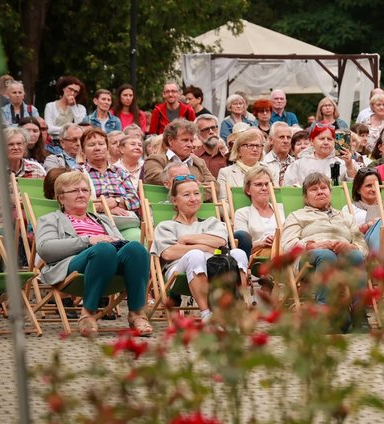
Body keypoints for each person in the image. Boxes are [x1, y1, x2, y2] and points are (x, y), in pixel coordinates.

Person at [34, 171, 153, 336]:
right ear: (61, 198)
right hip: (73, 264)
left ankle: (137, 313)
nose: (81, 194)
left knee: (136, 248)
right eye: (75, 191)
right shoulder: (50, 219)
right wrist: (88, 240)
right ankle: (88, 314)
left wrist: (115, 242)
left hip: (108, 261)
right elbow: (45, 249)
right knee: (103, 249)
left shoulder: (101, 219)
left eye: (85, 190)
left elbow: (119, 242)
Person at [150, 177, 249, 323]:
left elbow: (220, 241)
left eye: (196, 193)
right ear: (174, 200)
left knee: (239, 253)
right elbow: (168, 253)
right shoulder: (166, 226)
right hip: (179, 273)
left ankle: (238, 307)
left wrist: (186, 239)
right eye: (186, 195)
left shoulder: (212, 222)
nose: (193, 199)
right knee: (195, 255)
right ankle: (207, 313)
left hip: (215, 268)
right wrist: (204, 246)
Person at [280, 172, 367, 311]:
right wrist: (314, 245)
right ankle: (325, 313)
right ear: (305, 197)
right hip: (309, 260)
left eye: (323, 188)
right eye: (314, 189)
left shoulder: (346, 217)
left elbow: (362, 246)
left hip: (343, 257)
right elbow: (287, 245)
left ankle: (359, 315)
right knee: (326, 256)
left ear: (330, 192)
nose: (320, 192)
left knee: (356, 256)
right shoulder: (296, 216)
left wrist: (349, 246)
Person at [142, 119, 217, 202]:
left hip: (198, 212)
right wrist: (194, 185)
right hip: (166, 211)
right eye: (185, 140)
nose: (190, 145)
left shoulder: (199, 162)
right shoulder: (155, 160)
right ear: (170, 140)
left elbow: (214, 186)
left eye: (191, 141)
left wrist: (188, 195)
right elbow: (154, 177)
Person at [81, 128, 140, 218]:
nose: (97, 148)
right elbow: (77, 201)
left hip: (124, 219)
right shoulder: (78, 173)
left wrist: (116, 201)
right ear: (83, 151)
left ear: (107, 148)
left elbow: (135, 201)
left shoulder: (119, 171)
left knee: (136, 233)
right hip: (93, 219)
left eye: (101, 144)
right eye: (91, 145)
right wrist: (107, 208)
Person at [233, 166, 284, 259]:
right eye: (258, 184)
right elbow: (242, 246)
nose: (264, 188)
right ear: (248, 190)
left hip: (284, 251)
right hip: (258, 258)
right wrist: (262, 243)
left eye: (267, 184)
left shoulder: (282, 209)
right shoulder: (242, 213)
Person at [285, 123, 357, 186]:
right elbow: (289, 188)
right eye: (322, 139)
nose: (326, 142)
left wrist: (349, 165)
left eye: (329, 139)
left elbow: (353, 187)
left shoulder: (344, 161)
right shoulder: (299, 164)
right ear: (312, 141)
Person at [216, 128, 267, 199]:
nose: (255, 149)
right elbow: (223, 203)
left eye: (258, 146)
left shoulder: (268, 171)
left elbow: (276, 201)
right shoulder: (225, 173)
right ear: (238, 150)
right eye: (250, 145)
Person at [348, 166, 384, 256]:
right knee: (381, 223)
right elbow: (347, 234)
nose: (374, 189)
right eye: (368, 186)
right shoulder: (350, 208)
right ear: (358, 189)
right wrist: (365, 227)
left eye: (376, 185)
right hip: (362, 247)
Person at [262, 121, 295, 186]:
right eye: (281, 137)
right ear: (271, 140)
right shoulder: (262, 163)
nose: (286, 141)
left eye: (288, 137)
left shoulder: (296, 164)